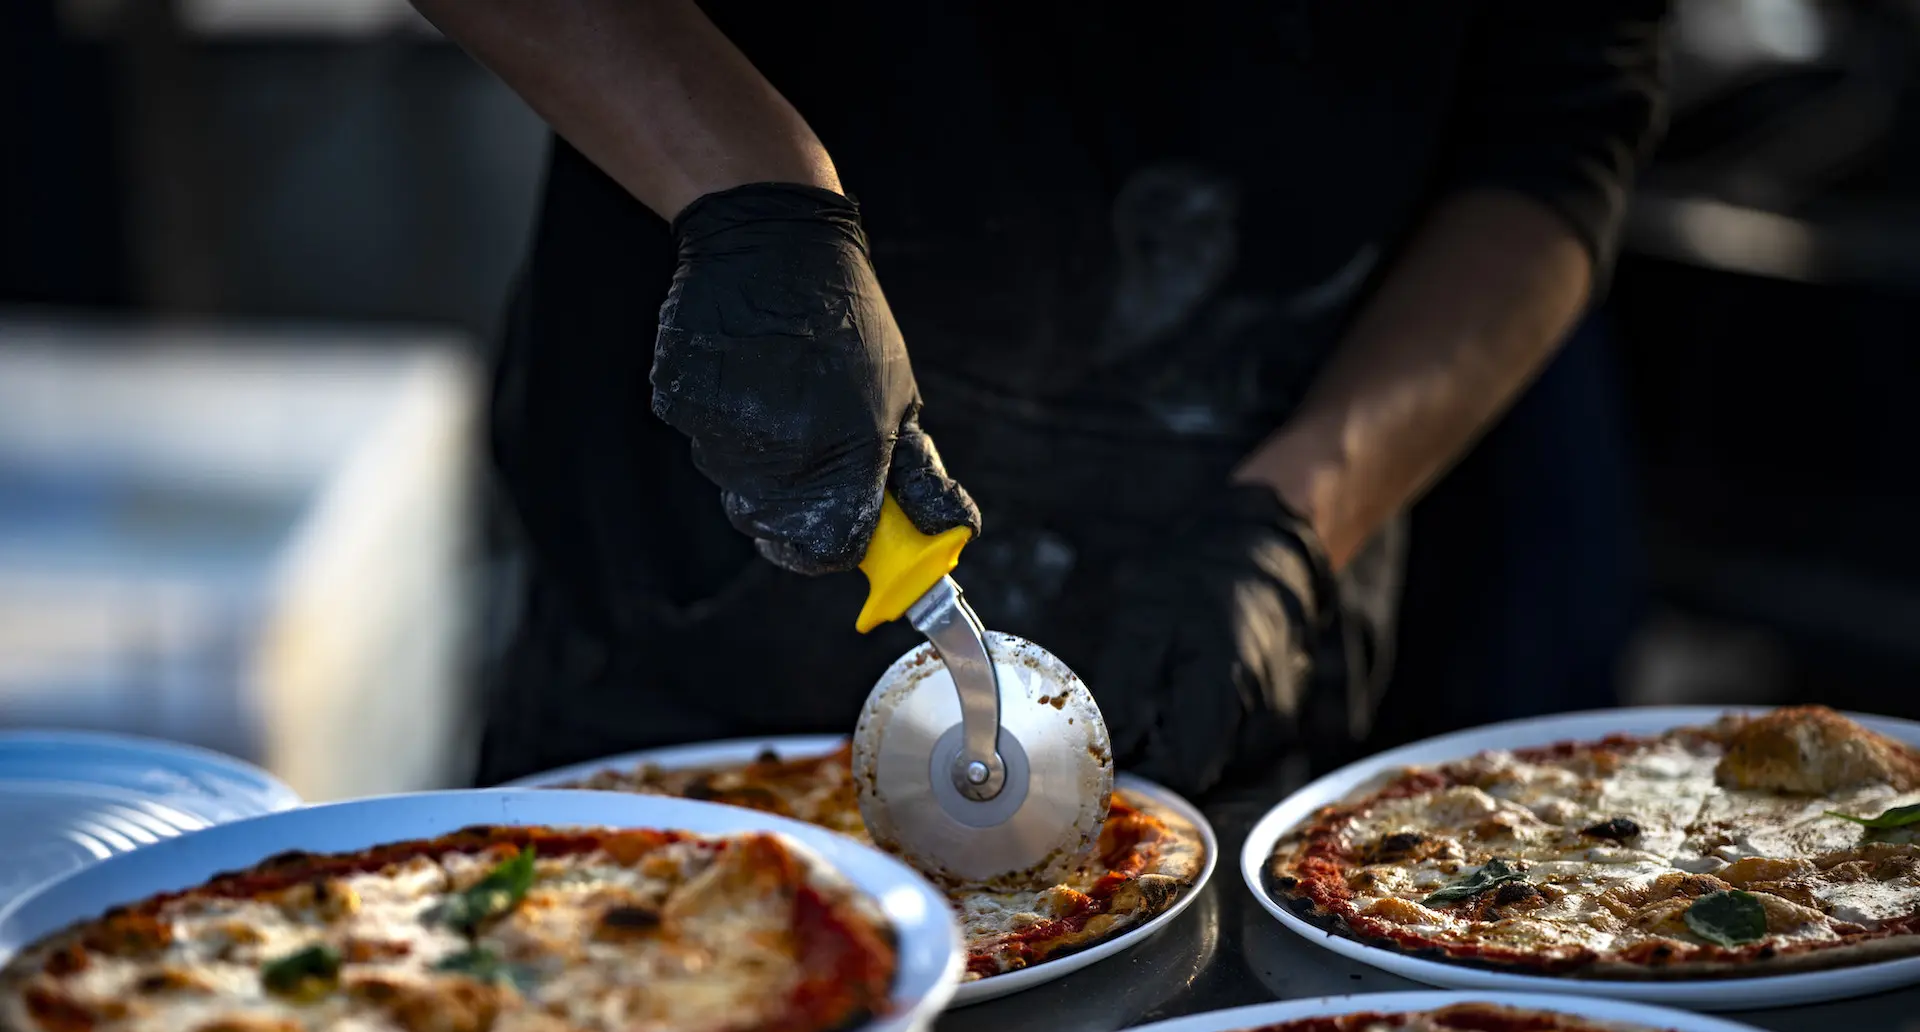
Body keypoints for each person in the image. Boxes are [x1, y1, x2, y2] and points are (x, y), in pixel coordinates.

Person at [417, 1, 1672, 797]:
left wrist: (1299, 523)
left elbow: (1552, 143)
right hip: (678, 649)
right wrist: (749, 190)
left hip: (1228, 664)